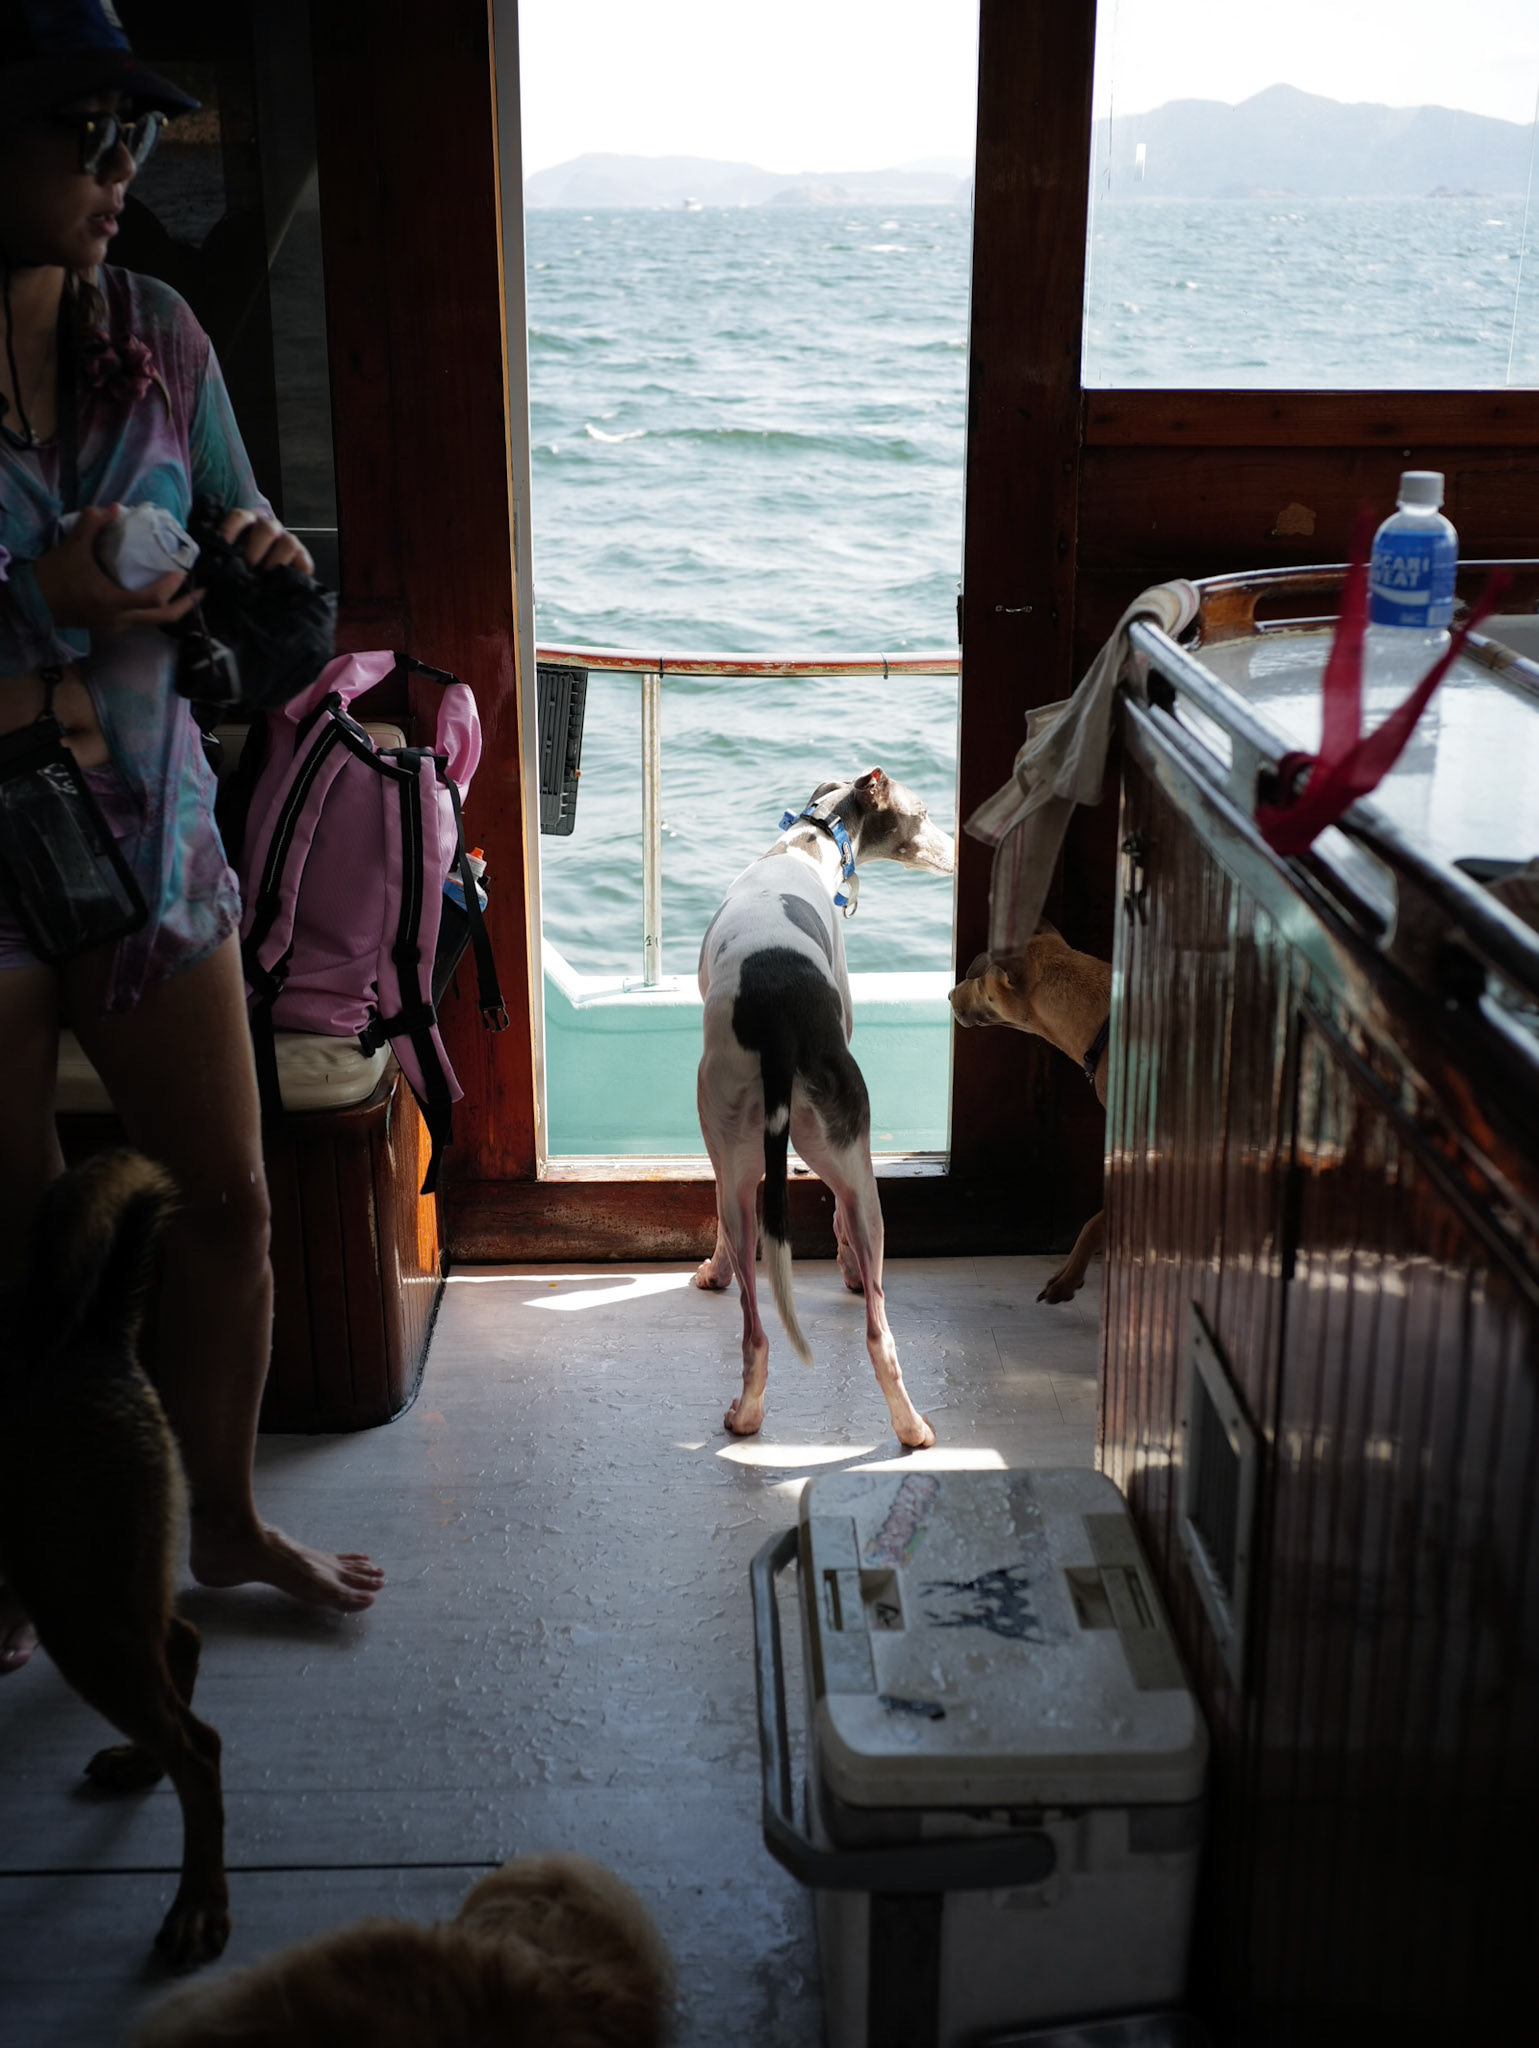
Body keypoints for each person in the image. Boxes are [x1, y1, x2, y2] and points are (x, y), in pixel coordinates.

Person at [0, 2, 383, 1672]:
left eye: (133, 136)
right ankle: (26, 1552)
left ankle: (217, 1516)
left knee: (229, 1199)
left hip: (154, 844)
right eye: (79, 131)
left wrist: (252, 578)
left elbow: (258, 555)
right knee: (24, 1253)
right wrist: (42, 600)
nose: (116, 168)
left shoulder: (157, 333)